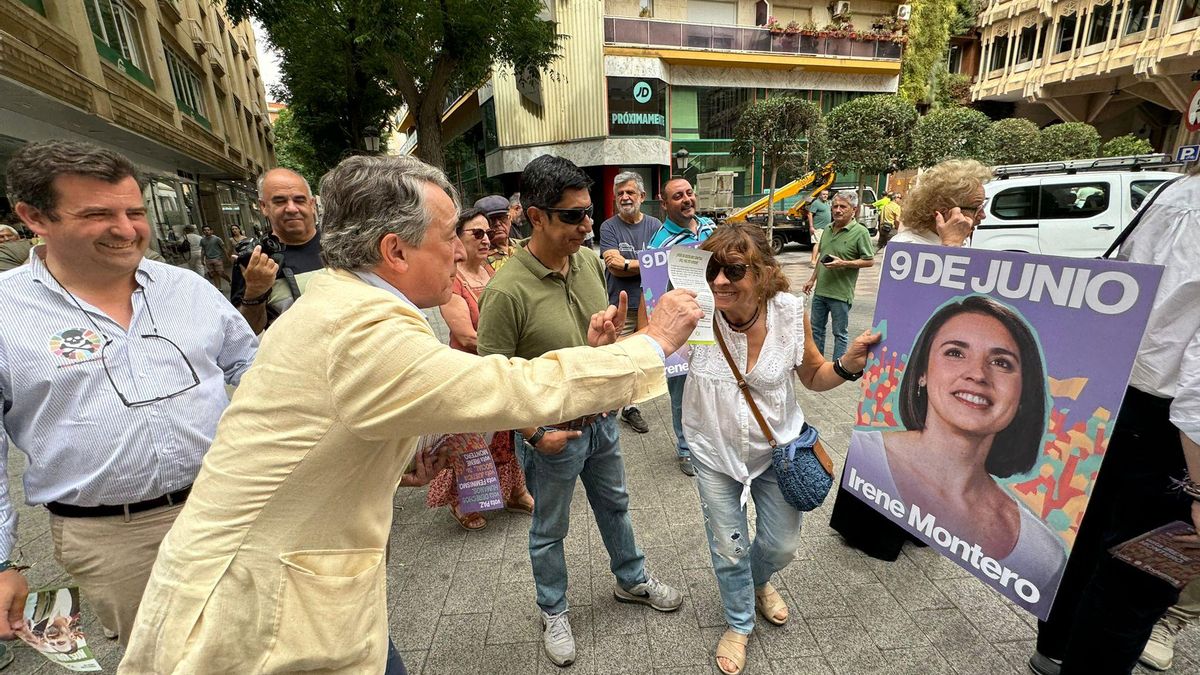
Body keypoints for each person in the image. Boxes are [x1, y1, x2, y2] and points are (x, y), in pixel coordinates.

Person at [118, 153, 702, 674]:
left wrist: (393, 458)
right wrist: (649, 345)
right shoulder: (361, 327)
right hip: (258, 624)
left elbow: (321, 428)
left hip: (297, 603)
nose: (465, 250)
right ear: (395, 250)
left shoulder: (343, 301)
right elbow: (505, 384)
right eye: (450, 236)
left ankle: (631, 577)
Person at [0, 140, 258, 647]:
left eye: (135, 212)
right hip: (115, 540)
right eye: (97, 214)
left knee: (269, 640)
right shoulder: (7, 312)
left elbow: (254, 367)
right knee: (166, 657)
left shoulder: (186, 288)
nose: (126, 229)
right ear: (34, 217)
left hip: (231, 506)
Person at [477, 155, 686, 668]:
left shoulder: (591, 264)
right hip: (551, 437)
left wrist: (606, 346)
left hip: (603, 423)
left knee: (615, 505)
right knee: (550, 529)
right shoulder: (505, 291)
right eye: (572, 216)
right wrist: (534, 434)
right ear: (535, 216)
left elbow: (597, 348)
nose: (587, 225)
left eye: (589, 213)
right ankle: (553, 609)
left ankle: (631, 579)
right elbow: (492, 382)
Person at [685, 222, 878, 675]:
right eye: (712, 269)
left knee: (781, 545)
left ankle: (758, 581)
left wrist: (847, 365)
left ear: (763, 273)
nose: (719, 281)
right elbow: (649, 353)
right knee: (729, 548)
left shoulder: (789, 312)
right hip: (714, 453)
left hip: (778, 452)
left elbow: (812, 375)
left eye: (734, 270)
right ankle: (739, 622)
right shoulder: (694, 311)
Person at [1029, 171, 1200, 675]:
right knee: (1138, 580)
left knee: (1084, 541)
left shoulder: (1174, 191)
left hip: (1118, 393)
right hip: (1174, 429)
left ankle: (1054, 649)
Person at [848, 295, 1066, 614]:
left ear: (1023, 394)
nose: (977, 374)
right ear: (922, 372)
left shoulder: (1043, 555)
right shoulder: (863, 457)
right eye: (955, 352)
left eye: (1001, 362)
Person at [829, 160, 983, 562]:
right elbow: (931, 310)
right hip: (905, 368)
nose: (982, 215)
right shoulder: (909, 244)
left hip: (940, 371)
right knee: (896, 448)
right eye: (974, 207)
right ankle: (873, 530)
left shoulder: (951, 242)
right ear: (945, 208)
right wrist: (952, 249)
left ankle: (919, 521)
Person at [430, 208, 533, 529]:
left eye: (488, 233)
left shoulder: (492, 271)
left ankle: (515, 491)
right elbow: (464, 335)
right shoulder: (452, 280)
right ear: (457, 240)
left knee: (506, 434)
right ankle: (462, 501)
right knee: (472, 441)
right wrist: (513, 349)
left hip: (498, 368)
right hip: (469, 374)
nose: (486, 239)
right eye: (477, 233)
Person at [649, 175, 716, 476]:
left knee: (712, 385)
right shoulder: (659, 244)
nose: (687, 199)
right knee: (681, 393)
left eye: (689, 193)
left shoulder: (710, 228)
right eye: (678, 196)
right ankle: (685, 449)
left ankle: (710, 442)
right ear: (664, 204)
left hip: (714, 324)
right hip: (681, 332)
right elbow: (655, 293)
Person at [599, 171, 663, 435]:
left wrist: (628, 264)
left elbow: (662, 264)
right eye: (620, 193)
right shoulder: (608, 227)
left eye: (630, 192)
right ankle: (611, 405)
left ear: (642, 196)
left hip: (649, 303)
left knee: (641, 357)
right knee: (618, 356)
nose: (625, 197)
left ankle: (630, 407)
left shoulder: (655, 225)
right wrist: (647, 263)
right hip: (620, 305)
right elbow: (613, 266)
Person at [231, 167, 323, 333]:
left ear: (312, 204)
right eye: (280, 201)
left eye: (299, 200)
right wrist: (255, 292)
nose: (291, 208)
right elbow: (246, 331)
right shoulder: (254, 260)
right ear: (263, 206)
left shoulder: (342, 246)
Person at [801, 190, 874, 361]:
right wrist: (812, 280)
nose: (838, 210)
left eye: (843, 206)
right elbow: (822, 256)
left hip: (841, 294)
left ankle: (837, 367)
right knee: (816, 330)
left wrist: (844, 263)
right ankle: (818, 364)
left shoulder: (860, 232)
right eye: (835, 206)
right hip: (820, 291)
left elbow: (869, 261)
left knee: (839, 333)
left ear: (854, 210)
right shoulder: (827, 229)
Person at [890, 159, 990, 247]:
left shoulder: (960, 238)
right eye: (975, 208)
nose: (982, 215)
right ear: (942, 212)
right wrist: (951, 246)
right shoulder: (905, 245)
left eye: (982, 206)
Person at [479, 195, 517, 271]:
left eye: (502, 218)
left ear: (510, 219)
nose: (497, 224)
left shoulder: (523, 246)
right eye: (491, 219)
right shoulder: (480, 257)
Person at [805, 189, 831, 267]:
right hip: (818, 228)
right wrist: (811, 227)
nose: (825, 196)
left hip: (826, 228)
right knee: (817, 244)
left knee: (825, 244)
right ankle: (813, 262)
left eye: (826, 194)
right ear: (820, 195)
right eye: (823, 194)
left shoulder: (827, 203)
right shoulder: (816, 203)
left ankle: (822, 261)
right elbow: (810, 214)